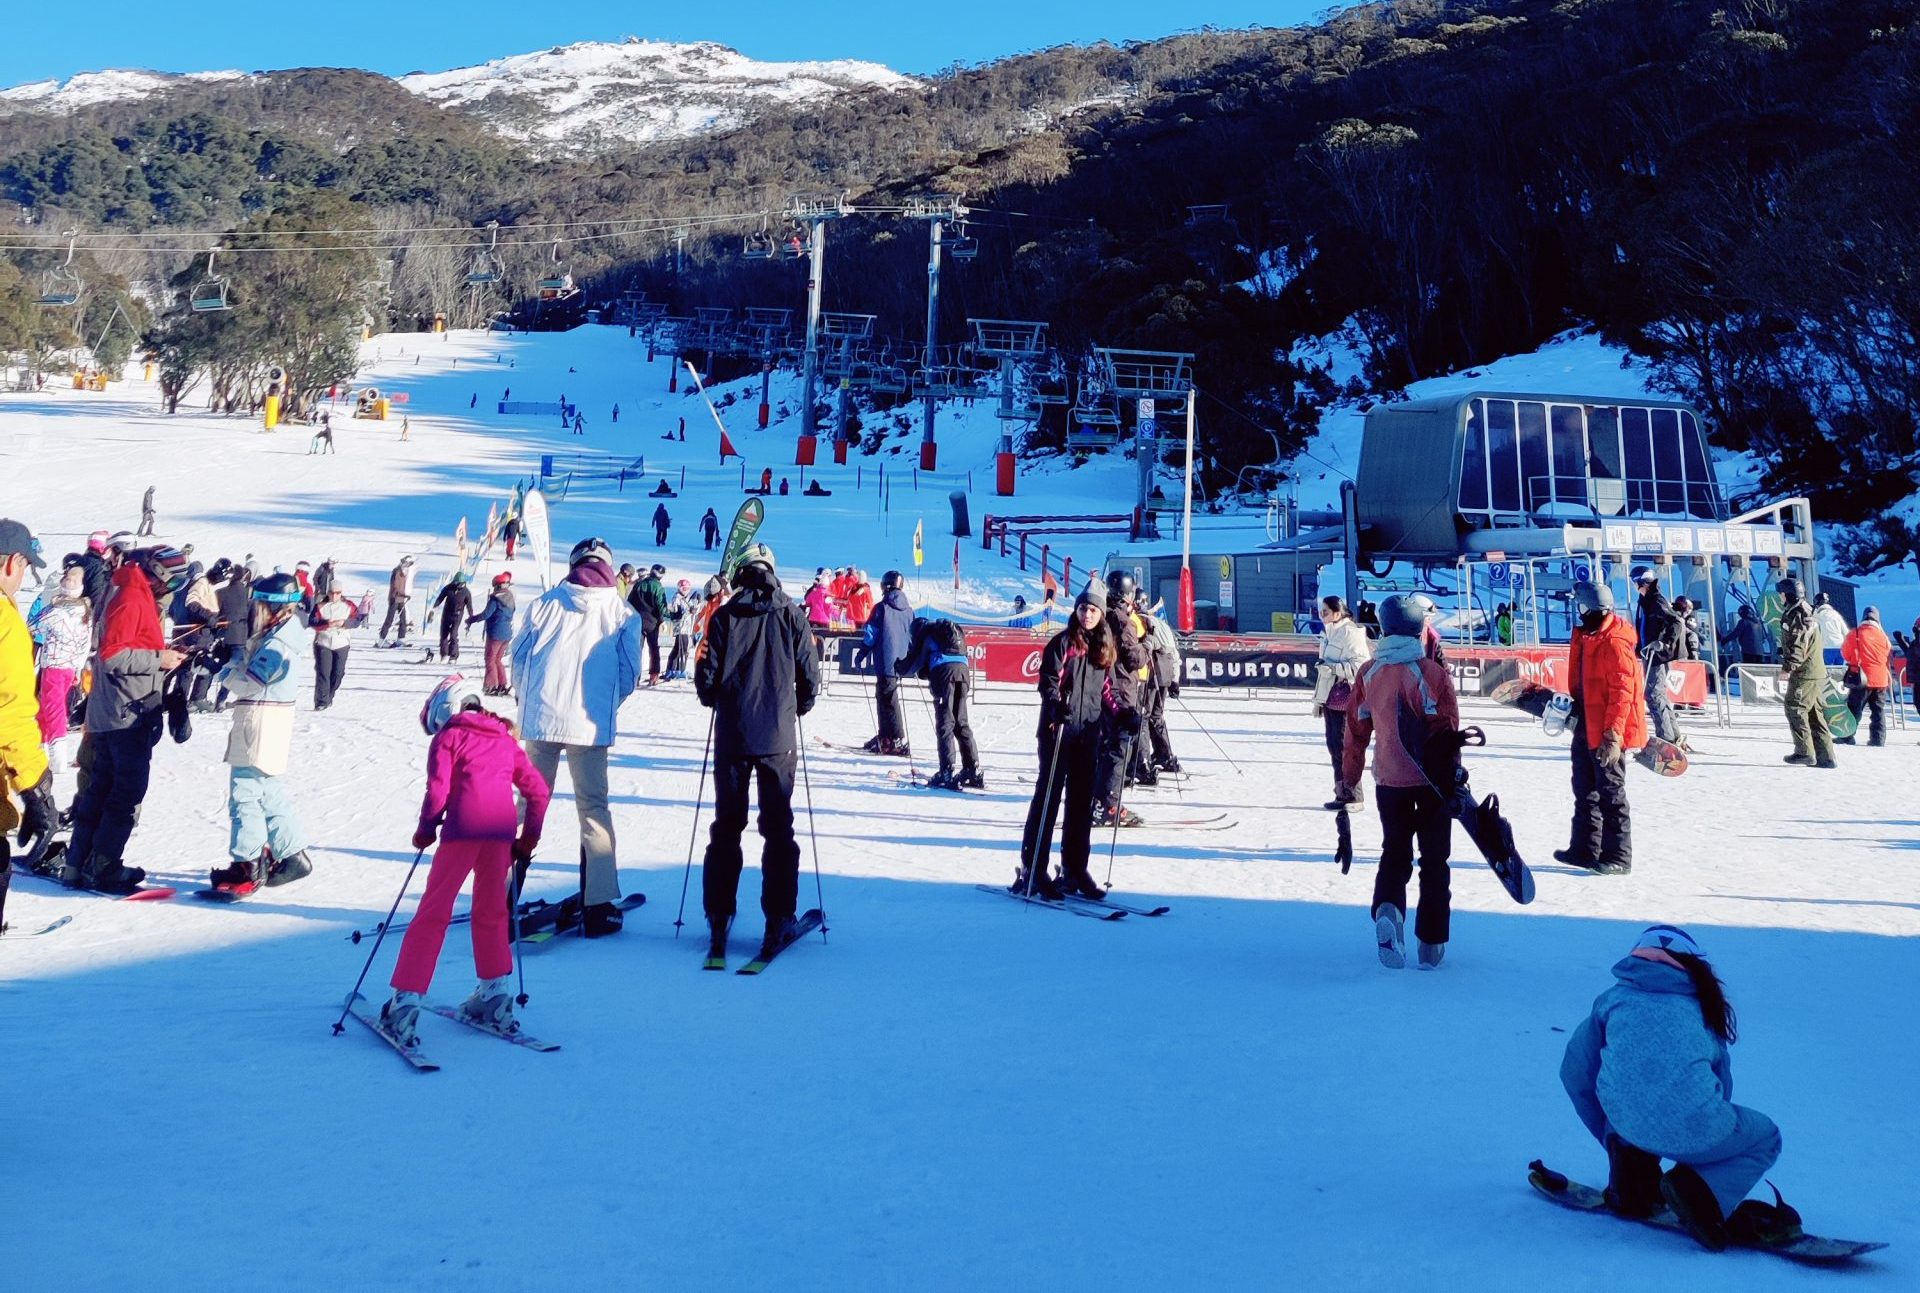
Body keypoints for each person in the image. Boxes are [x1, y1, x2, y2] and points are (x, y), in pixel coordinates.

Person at [1559, 925, 1788, 1252]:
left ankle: (1632, 1178)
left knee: (1629, 1095)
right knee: (1766, 1137)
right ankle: (1700, 1192)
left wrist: (1611, 1133)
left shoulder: (1613, 1000)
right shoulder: (1700, 1008)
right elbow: (1721, 1081)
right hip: (1696, 1126)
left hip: (1626, 1125)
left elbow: (1575, 1071)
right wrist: (1700, 1143)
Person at [378, 676, 552, 1050]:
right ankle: (494, 995)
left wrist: (426, 830)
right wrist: (527, 841)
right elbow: (538, 791)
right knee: (491, 913)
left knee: (433, 914)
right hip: (500, 834)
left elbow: (437, 792)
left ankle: (405, 1002)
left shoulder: (450, 737)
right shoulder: (505, 739)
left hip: (462, 832)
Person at [511, 538, 644, 937]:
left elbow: (518, 659)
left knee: (526, 807)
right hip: (590, 724)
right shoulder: (622, 612)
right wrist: (605, 705)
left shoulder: (546, 603)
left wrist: (528, 701)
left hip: (541, 719)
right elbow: (629, 673)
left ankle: (501, 892)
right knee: (593, 807)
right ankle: (599, 903)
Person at [695, 542, 820, 964]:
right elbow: (810, 677)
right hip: (776, 737)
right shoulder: (792, 614)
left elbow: (707, 683)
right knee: (778, 830)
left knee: (726, 827)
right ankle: (778, 916)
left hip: (734, 736)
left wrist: (711, 688)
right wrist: (794, 708)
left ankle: (718, 914)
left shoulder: (726, 616)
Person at [1341, 593, 1460, 969]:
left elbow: (1354, 731)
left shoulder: (1369, 673)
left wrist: (1349, 779)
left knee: (1394, 853)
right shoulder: (1433, 674)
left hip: (1389, 781)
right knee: (1435, 861)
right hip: (1431, 784)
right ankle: (1431, 943)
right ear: (1417, 629)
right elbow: (1448, 732)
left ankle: (1389, 911)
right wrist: (1454, 775)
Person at [61, 548, 188, 893]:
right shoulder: (132, 596)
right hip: (125, 712)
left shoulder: (130, 589)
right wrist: (159, 659)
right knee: (125, 792)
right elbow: (114, 655)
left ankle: (78, 864)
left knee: (100, 790)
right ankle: (103, 867)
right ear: (157, 573)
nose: (173, 588)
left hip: (114, 710)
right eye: (172, 580)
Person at [207, 572, 314, 891]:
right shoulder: (279, 636)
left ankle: (247, 864)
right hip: (267, 722)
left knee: (246, 794)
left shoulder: (278, 644)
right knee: (267, 791)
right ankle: (293, 854)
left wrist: (222, 672)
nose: (255, 611)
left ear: (274, 607)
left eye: (259, 605)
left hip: (261, 723)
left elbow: (251, 682)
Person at [1015, 587, 1117, 901]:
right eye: (1083, 609)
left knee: (1080, 804)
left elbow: (1106, 691)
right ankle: (1034, 868)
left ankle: (1075, 868)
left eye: (1093, 610)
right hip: (1057, 731)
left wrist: (1121, 714)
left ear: (1101, 615)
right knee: (1049, 799)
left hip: (1087, 734)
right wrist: (1056, 704)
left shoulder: (1102, 648)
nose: (1087, 615)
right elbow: (1048, 680)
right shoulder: (1063, 643)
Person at [1557, 580, 1646, 876]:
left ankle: (1619, 855)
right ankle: (1585, 849)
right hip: (1586, 721)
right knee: (1584, 789)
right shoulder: (1589, 636)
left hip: (1607, 730)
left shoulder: (1614, 643)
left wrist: (1613, 736)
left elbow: (1623, 694)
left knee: (1611, 792)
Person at [1, 520, 58, 932]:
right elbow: (11, 710)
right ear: (11, 564)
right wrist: (35, 785)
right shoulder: (5, 624)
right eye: (25, 567)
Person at [1091, 571, 1151, 828]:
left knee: (1106, 747)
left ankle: (1097, 800)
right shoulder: (1124, 622)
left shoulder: (1101, 618)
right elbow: (1133, 658)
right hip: (1121, 691)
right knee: (1118, 749)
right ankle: (1110, 804)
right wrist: (1147, 644)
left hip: (1103, 689)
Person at [900, 616, 981, 791]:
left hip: (945, 677)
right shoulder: (948, 633)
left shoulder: (927, 636)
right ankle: (972, 768)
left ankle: (946, 770)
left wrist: (898, 667)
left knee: (945, 724)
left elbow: (914, 664)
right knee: (961, 722)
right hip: (964, 673)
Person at [30, 566, 90, 773]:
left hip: (53, 665)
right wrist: (77, 669)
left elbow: (33, 625)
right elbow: (85, 644)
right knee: (49, 707)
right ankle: (42, 748)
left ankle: (57, 758)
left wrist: (49, 604)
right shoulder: (84, 612)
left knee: (53, 708)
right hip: (69, 667)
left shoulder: (55, 612)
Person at [1317, 594, 1373, 809]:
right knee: (1334, 746)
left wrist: (1333, 669)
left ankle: (1353, 793)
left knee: (1346, 747)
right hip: (1330, 697)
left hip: (1347, 698)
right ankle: (1341, 792)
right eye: (1321, 612)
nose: (1322, 616)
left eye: (1325, 612)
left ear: (1337, 613)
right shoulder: (1329, 633)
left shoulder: (1351, 633)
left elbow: (1361, 665)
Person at [1776, 576, 1835, 769]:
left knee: (1795, 707)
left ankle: (1804, 752)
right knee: (1814, 713)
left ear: (1787, 594)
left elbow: (1798, 643)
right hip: (1815, 670)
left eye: (1781, 594)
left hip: (1805, 672)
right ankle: (1826, 757)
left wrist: (1788, 667)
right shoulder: (1806, 610)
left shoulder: (1797, 614)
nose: (1780, 597)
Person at [858, 570, 915, 756]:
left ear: (886, 586)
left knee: (888, 700)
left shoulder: (881, 608)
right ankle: (885, 736)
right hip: (901, 660)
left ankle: (896, 737)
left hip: (885, 658)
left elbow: (871, 634)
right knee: (884, 696)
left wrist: (862, 653)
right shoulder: (909, 610)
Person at [1134, 600, 1183, 783]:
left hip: (1152, 673)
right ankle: (1165, 755)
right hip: (1167, 672)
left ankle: (1143, 761)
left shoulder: (1141, 621)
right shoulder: (1162, 624)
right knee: (1156, 715)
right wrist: (1175, 681)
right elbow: (1175, 654)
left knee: (1144, 717)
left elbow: (1150, 644)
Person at [1631, 567, 1681, 747]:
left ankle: (1666, 738)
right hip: (1649, 652)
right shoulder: (1645, 600)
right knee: (1657, 694)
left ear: (1642, 582)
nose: (1634, 586)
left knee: (1653, 694)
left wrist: (1664, 642)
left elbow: (1676, 622)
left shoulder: (1656, 600)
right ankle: (1672, 734)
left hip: (1658, 654)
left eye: (1634, 582)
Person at [1839, 606, 1890, 747]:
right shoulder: (1883, 636)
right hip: (1881, 679)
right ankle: (1878, 739)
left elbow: (1845, 653)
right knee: (1878, 711)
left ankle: (1847, 736)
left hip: (1861, 678)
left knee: (1854, 709)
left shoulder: (1854, 634)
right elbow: (1887, 654)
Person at [210, 558, 252, 710]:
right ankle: (227, 697)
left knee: (220, 666)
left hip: (224, 634)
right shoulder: (248, 594)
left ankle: (207, 696)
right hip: (241, 635)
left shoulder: (221, 593)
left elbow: (216, 613)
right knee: (237, 669)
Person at [470, 573, 516, 696]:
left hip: (496, 633)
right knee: (497, 659)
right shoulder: (510, 596)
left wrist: (472, 620)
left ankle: (491, 686)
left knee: (490, 659)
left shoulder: (496, 599)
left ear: (497, 586)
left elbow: (486, 614)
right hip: (507, 633)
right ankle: (502, 684)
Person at [311, 586, 354, 710]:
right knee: (323, 672)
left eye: (338, 593)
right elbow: (312, 622)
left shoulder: (349, 605)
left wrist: (345, 623)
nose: (334, 596)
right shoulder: (320, 606)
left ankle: (329, 695)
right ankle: (321, 701)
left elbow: (357, 619)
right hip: (323, 642)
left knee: (338, 673)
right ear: (328, 593)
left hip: (342, 643)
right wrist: (326, 624)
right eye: (332, 593)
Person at [628, 563, 670, 686]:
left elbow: (630, 602)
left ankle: (635, 677)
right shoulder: (658, 587)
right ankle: (654, 675)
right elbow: (661, 607)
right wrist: (669, 617)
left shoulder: (639, 584)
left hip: (638, 621)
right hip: (652, 623)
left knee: (637, 650)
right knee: (654, 649)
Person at [431, 573, 473, 664]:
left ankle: (453, 655)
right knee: (444, 634)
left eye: (459, 583)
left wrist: (471, 617)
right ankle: (444, 655)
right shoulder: (448, 588)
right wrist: (434, 608)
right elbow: (440, 598)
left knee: (453, 634)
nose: (457, 585)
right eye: (456, 583)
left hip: (457, 615)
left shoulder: (466, 592)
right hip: (446, 613)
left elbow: (469, 605)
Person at [665, 579, 698, 680]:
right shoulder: (677, 598)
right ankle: (680, 670)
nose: (685, 590)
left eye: (687, 589)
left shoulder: (686, 598)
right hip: (681, 628)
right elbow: (678, 612)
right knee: (683, 649)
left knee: (678, 649)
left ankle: (671, 669)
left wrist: (695, 604)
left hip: (687, 628)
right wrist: (688, 611)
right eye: (683, 588)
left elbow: (693, 609)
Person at [380, 556, 415, 644]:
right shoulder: (397, 572)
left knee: (403, 619)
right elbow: (395, 586)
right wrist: (402, 594)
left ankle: (401, 638)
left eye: (409, 565)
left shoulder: (404, 573)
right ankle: (381, 639)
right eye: (406, 564)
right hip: (394, 598)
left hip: (401, 599)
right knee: (390, 619)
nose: (407, 566)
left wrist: (404, 595)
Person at [802, 570, 834, 634]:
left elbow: (807, 602)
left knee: (813, 636)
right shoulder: (828, 595)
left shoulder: (814, 592)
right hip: (824, 620)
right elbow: (830, 608)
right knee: (822, 638)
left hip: (813, 618)